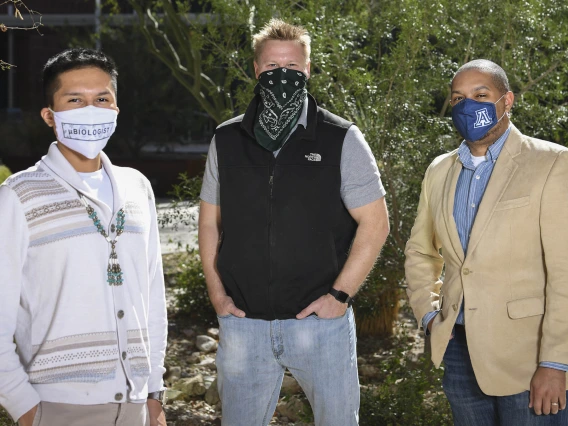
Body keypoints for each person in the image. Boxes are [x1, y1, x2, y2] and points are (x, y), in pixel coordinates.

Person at [198, 18, 389, 426]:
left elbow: (375, 223)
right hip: (244, 325)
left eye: (292, 67)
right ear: (255, 70)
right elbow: (210, 223)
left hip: (320, 324)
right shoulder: (227, 140)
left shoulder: (341, 138)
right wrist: (218, 297)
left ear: (307, 70)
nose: (281, 75)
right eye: (271, 67)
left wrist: (339, 297)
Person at [0, 48, 168, 426]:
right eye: (74, 99)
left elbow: (153, 296)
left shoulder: (136, 187)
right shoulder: (18, 195)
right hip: (57, 407)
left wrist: (154, 391)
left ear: (116, 110)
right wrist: (23, 404)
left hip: (137, 405)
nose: (90, 109)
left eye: (102, 99)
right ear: (50, 115)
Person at [405, 59, 568, 425]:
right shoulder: (439, 170)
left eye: (481, 95)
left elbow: (565, 271)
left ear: (506, 101)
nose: (469, 105)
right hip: (458, 346)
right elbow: (420, 251)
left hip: (528, 355)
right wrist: (430, 315)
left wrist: (557, 363)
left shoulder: (553, 163)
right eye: (459, 98)